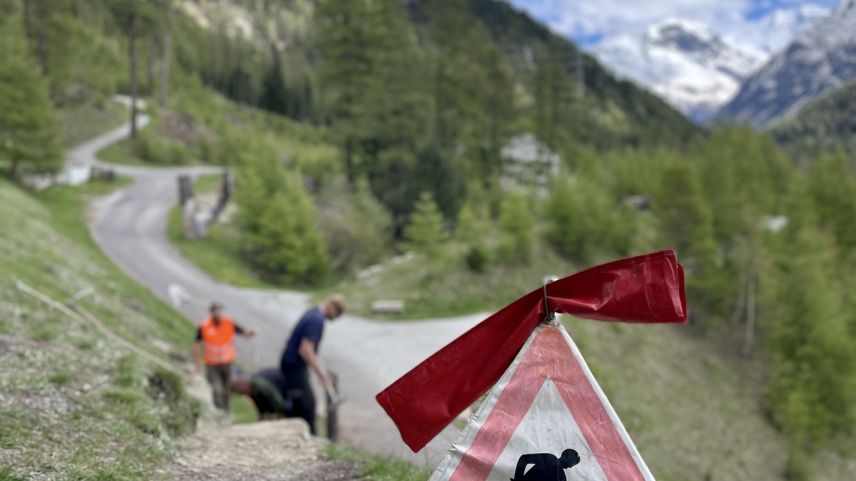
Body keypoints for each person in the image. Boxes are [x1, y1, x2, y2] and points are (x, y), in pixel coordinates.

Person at [279, 295, 346, 434]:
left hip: (291, 364)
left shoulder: (312, 312)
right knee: (307, 407)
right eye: (337, 314)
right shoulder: (317, 320)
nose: (335, 318)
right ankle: (310, 438)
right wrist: (321, 373)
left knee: (296, 403)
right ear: (332, 307)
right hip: (295, 366)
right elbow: (306, 350)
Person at [192, 302, 256, 411]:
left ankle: (226, 411)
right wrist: (197, 363)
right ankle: (219, 411)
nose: (217, 314)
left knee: (227, 389)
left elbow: (244, 333)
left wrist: (251, 332)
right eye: (215, 311)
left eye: (219, 311)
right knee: (217, 389)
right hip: (212, 364)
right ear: (211, 312)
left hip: (227, 362)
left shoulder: (228, 322)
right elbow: (196, 344)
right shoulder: (204, 326)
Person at [511, 449, 580, 481]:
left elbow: (524, 459)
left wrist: (518, 479)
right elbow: (524, 459)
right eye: (573, 462)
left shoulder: (563, 478)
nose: (571, 465)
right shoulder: (550, 458)